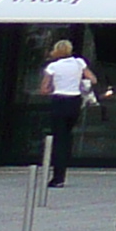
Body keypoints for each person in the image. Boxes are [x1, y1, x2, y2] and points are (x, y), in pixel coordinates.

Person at [36, 38, 93, 187]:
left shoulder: (53, 67)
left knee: (58, 138)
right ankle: (65, 162)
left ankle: (58, 176)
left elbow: (43, 89)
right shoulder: (79, 63)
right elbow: (92, 79)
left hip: (59, 100)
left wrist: (54, 88)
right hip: (74, 101)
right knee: (66, 135)